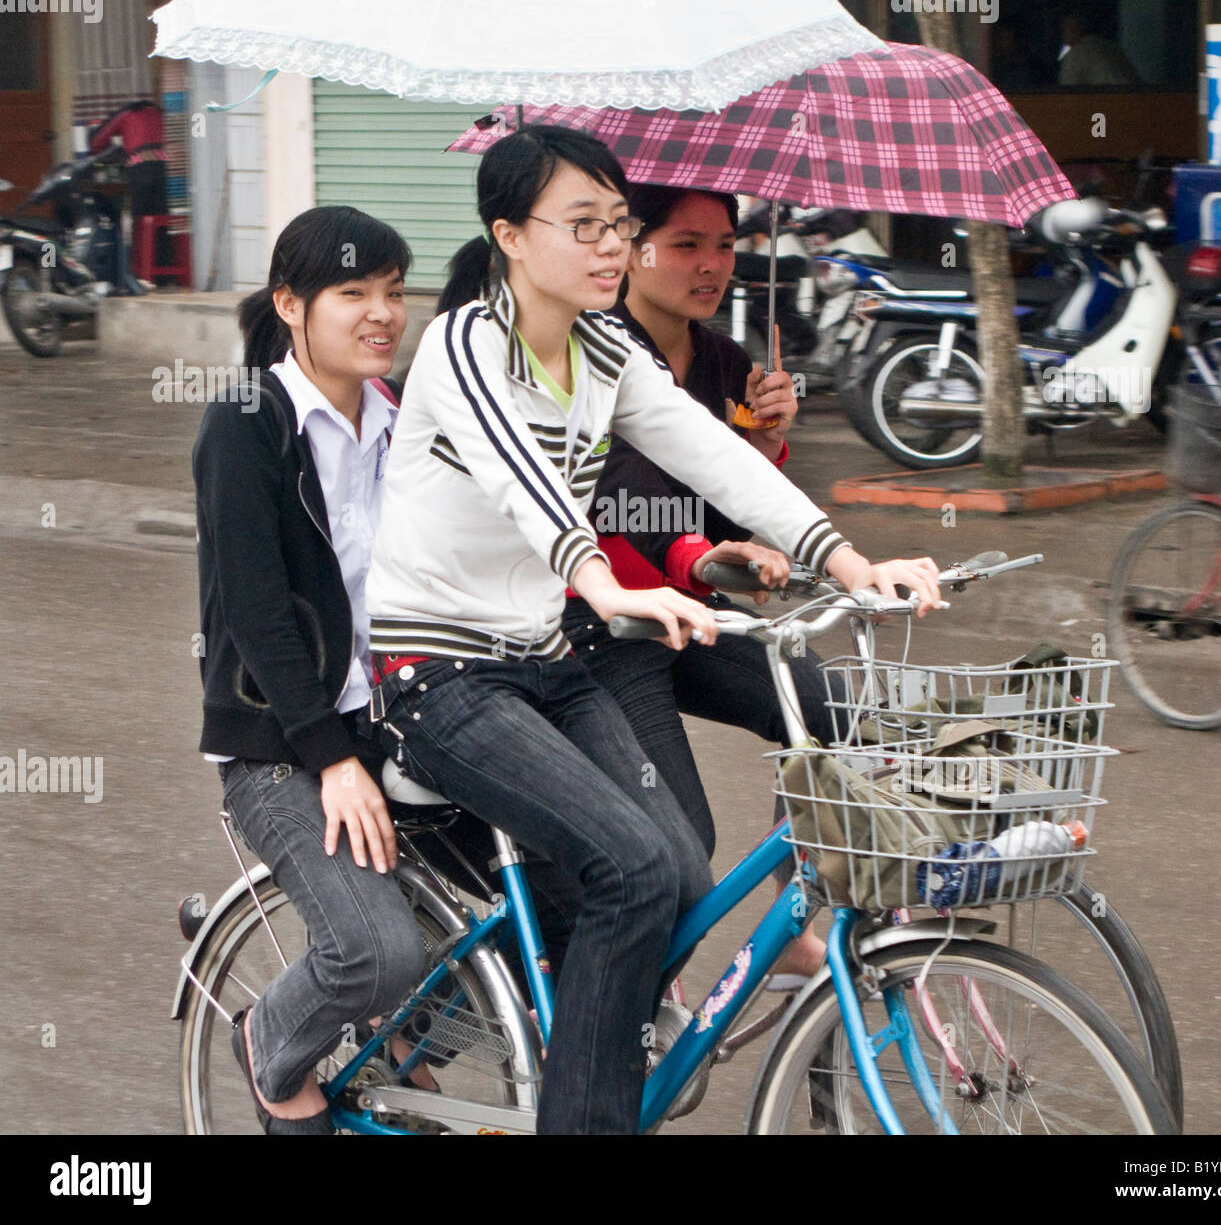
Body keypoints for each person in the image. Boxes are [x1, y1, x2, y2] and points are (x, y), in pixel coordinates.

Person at [365, 125, 941, 1135]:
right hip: (440, 675)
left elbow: (718, 460)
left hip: (544, 662)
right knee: (631, 867)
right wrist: (610, 583)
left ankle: (570, 1035)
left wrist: (852, 564)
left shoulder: (604, 348)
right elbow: (528, 484)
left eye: (617, 226)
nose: (606, 248)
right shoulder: (467, 344)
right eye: (581, 225)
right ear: (508, 233)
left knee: (675, 869)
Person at [192, 205, 428, 1134]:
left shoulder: (402, 414)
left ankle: (411, 1047)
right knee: (377, 952)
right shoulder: (248, 422)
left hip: (405, 720)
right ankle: (272, 1035)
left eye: (395, 292)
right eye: (353, 293)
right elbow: (255, 617)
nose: (382, 313)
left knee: (561, 893)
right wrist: (330, 758)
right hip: (282, 742)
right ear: (291, 304)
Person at [559, 183, 833, 984]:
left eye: (723, 245)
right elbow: (623, 501)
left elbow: (721, 507)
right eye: (686, 245)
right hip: (607, 624)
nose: (711, 265)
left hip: (691, 610)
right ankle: (642, 983)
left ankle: (793, 921)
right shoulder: (594, 352)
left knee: (828, 708)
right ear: (630, 248)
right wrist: (710, 558)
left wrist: (768, 443)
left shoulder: (722, 361)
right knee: (683, 837)